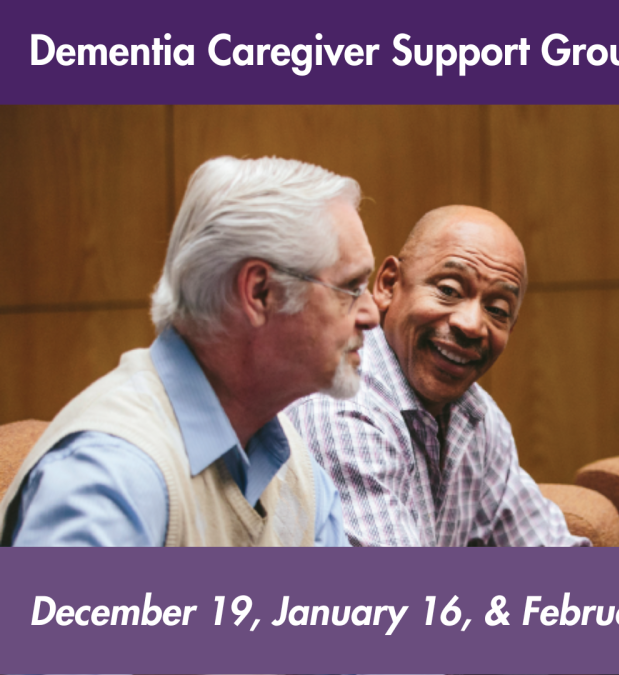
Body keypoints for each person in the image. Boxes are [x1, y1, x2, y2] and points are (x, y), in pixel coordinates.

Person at [0, 156, 379, 546]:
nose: (371, 314)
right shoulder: (109, 475)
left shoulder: (296, 470)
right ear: (260, 293)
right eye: (351, 287)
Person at [286, 205, 588, 547]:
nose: (472, 325)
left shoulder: (476, 415)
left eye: (497, 310)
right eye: (448, 290)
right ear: (387, 285)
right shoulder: (341, 405)